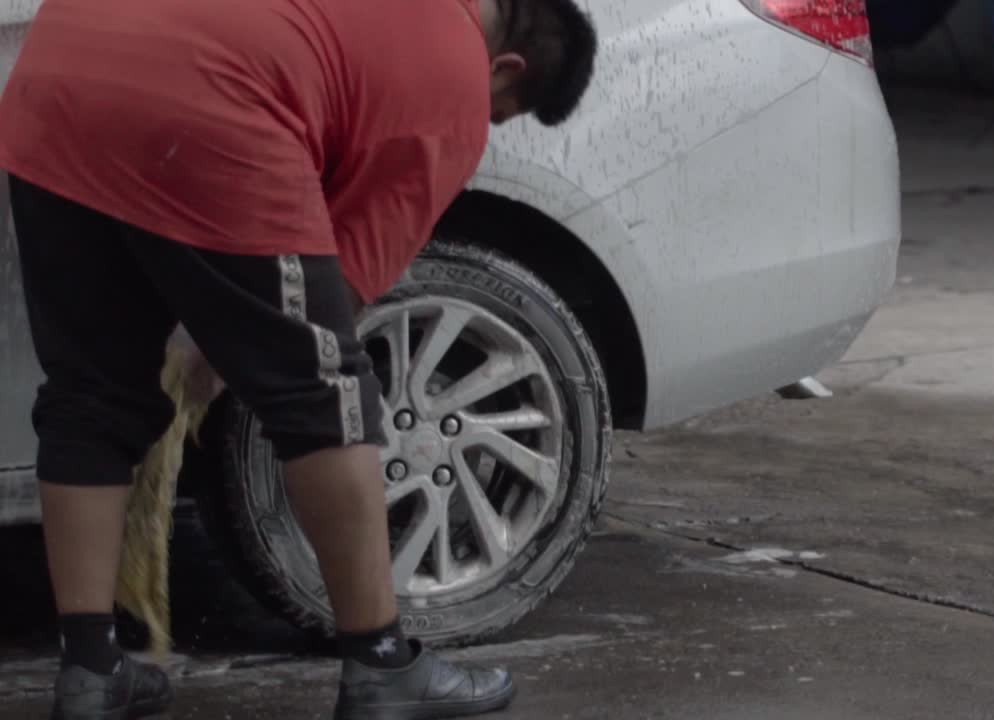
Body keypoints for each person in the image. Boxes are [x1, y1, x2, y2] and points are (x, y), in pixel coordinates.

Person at [0, 0, 596, 717]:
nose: (483, 125)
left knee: (89, 397)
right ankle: (382, 665)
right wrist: (225, 353)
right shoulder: (452, 74)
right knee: (327, 394)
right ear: (505, 67)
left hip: (56, 78)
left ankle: (91, 672)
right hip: (205, 101)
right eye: (498, 111)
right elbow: (338, 286)